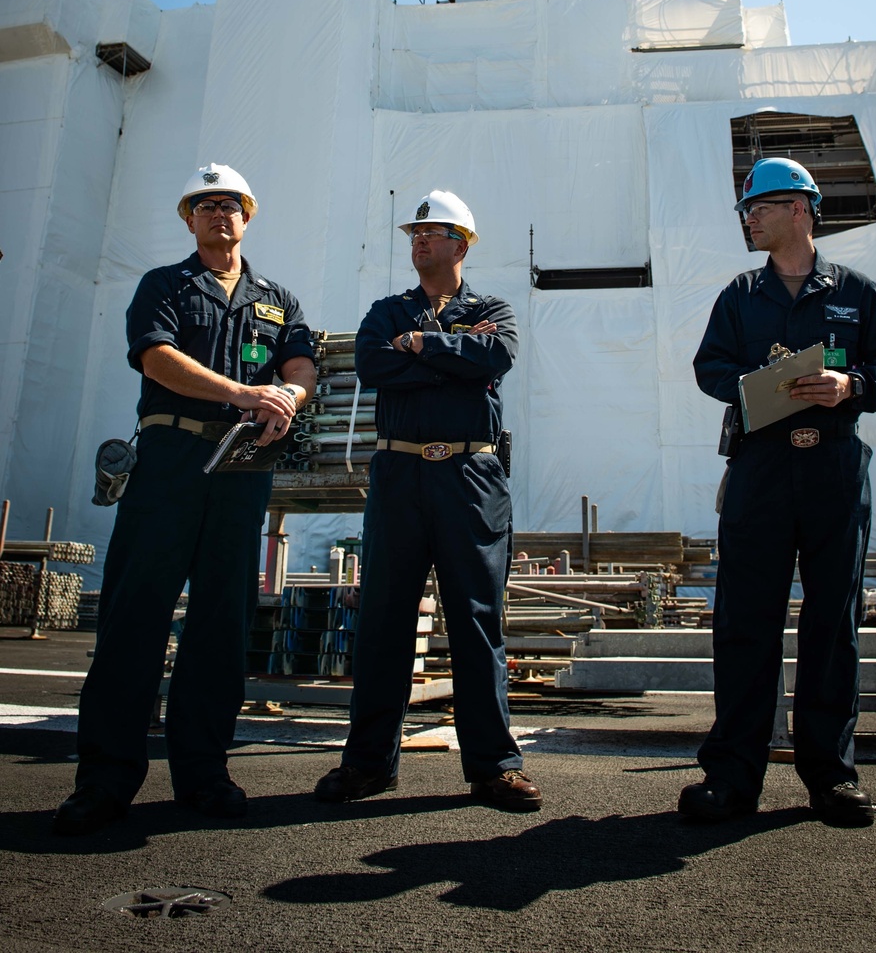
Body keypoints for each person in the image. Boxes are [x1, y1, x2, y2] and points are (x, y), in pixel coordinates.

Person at [53, 163, 316, 835]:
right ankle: (106, 778)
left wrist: (291, 393)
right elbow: (156, 357)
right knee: (135, 616)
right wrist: (242, 393)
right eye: (203, 205)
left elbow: (298, 359)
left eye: (229, 204)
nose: (217, 214)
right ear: (188, 219)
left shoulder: (276, 297)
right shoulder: (165, 286)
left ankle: (204, 772)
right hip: (170, 459)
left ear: (248, 215)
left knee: (222, 621)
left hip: (241, 467)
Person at [679, 158, 876, 827]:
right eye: (747, 209)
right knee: (746, 622)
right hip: (761, 467)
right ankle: (732, 778)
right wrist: (761, 383)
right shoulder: (740, 295)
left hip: (834, 468)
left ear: (801, 209)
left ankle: (831, 778)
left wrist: (850, 385)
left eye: (759, 206)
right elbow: (708, 368)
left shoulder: (857, 293)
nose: (748, 217)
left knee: (832, 625)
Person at [314, 190, 540, 812]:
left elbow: (498, 355)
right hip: (399, 472)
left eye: (433, 232)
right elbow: (371, 365)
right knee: (384, 620)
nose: (419, 240)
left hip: (471, 474)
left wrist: (422, 347)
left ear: (462, 244)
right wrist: (452, 360)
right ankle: (367, 766)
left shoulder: (492, 308)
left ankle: (495, 767)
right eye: (415, 232)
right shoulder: (387, 310)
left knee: (475, 619)